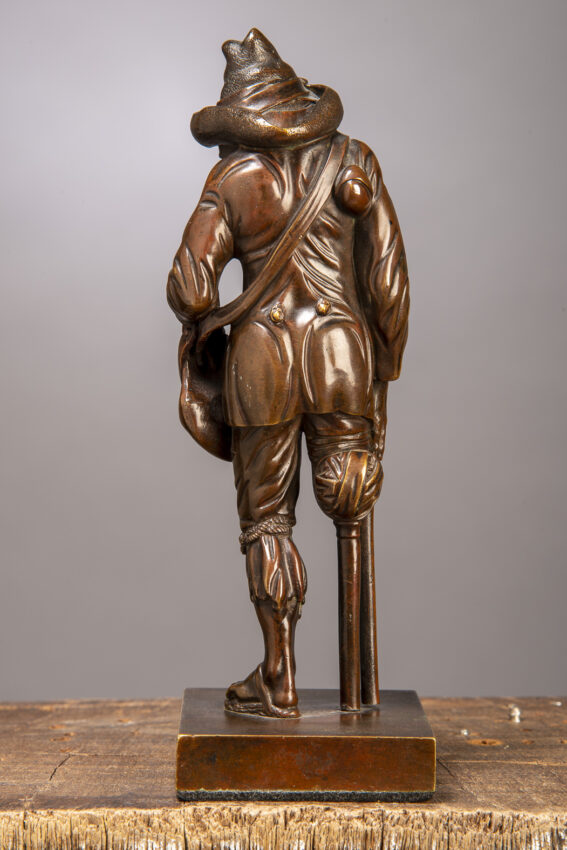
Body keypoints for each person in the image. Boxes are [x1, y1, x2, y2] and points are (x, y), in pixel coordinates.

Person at [167, 28, 409, 717]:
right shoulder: (354, 160)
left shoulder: (231, 180)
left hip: (264, 356)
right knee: (350, 499)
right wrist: (383, 368)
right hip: (341, 353)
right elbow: (387, 280)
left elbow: (189, 286)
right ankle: (359, 691)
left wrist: (204, 327)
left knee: (267, 521)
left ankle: (279, 677)